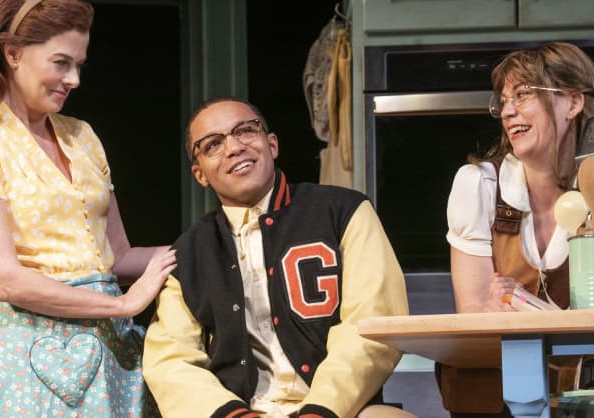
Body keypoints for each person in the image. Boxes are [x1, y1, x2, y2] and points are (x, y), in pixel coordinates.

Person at [0, 0, 175, 417]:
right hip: (22, 355)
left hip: (107, 358)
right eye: (61, 63)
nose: (74, 80)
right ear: (13, 54)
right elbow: (8, 280)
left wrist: (210, 251)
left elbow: (116, 258)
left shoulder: (82, 137)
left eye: (79, 65)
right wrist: (123, 304)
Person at [142, 98, 414, 418]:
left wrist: (321, 410)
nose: (234, 147)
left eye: (245, 131)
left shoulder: (344, 212)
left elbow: (373, 325)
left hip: (342, 411)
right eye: (213, 144)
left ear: (271, 144)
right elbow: (171, 361)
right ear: (200, 174)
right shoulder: (189, 253)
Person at [440, 42, 594, 417]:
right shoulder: (480, 188)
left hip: (583, 401)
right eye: (503, 100)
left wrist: (522, 308)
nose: (507, 111)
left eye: (523, 95)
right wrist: (488, 310)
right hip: (496, 403)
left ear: (573, 103)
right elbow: (472, 320)